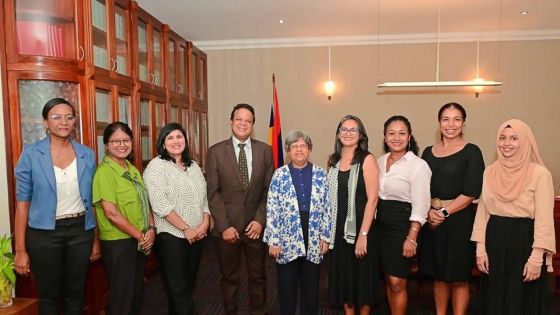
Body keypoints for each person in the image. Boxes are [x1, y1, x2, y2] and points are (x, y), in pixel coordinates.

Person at [14, 98, 98, 315]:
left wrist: (95, 239)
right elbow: (22, 205)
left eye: (69, 117)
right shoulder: (31, 154)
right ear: (45, 122)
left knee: (76, 293)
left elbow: (93, 200)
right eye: (56, 117)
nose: (64, 122)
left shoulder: (87, 154)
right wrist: (21, 250)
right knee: (49, 297)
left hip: (81, 231)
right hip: (43, 234)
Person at [471, 119, 555, 315]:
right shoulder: (490, 171)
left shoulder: (540, 174)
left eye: (514, 138)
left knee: (521, 299)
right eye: (502, 138)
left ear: (526, 141)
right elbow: (483, 211)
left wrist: (536, 258)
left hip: (525, 242)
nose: (506, 143)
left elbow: (544, 219)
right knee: (495, 297)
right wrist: (480, 249)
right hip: (494, 240)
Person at [206, 103, 274, 315]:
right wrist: (224, 226)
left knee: (258, 276)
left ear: (253, 125)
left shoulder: (265, 151)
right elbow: (213, 193)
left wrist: (260, 220)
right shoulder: (215, 152)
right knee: (229, 278)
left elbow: (268, 190)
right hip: (228, 228)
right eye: (239, 119)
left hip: (255, 227)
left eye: (248, 120)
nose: (243, 124)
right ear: (231, 122)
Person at [418, 102, 485, 315]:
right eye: (446, 119)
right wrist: (429, 210)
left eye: (456, 119)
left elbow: (472, 191)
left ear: (463, 123)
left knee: (458, 277)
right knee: (439, 275)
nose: (451, 124)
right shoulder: (428, 152)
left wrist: (444, 212)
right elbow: (420, 186)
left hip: (459, 221)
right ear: (439, 123)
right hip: (432, 222)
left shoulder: (472, 151)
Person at [143, 123, 211, 315]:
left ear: (185, 141)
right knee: (178, 289)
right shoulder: (156, 166)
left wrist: (205, 223)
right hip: (172, 236)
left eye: (179, 137)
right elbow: (159, 204)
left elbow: (204, 197)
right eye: (170, 138)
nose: (175, 141)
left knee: (187, 287)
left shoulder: (193, 165)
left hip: (197, 235)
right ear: (163, 144)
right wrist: (185, 228)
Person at [263, 130, 331, 315]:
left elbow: (327, 207)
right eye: (294, 146)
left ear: (309, 149)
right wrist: (274, 240)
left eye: (303, 146)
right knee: (287, 288)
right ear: (288, 150)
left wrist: (325, 237)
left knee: (311, 288)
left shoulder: (320, 174)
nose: (299, 150)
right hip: (287, 236)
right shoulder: (279, 175)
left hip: (313, 233)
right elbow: (272, 208)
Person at [92, 122, 155, 315]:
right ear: (106, 145)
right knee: (121, 297)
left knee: (136, 292)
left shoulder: (131, 169)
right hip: (119, 243)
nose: (122, 145)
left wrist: (151, 229)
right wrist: (140, 235)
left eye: (126, 140)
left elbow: (145, 201)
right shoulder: (104, 172)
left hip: (138, 239)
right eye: (115, 141)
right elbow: (111, 213)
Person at [376, 115, 431, 315]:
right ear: (384, 137)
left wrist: (412, 237)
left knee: (398, 281)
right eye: (391, 133)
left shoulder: (418, 165)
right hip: (380, 226)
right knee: (389, 280)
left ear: (409, 137)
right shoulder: (380, 161)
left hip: (403, 226)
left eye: (402, 133)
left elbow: (421, 204)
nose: (396, 137)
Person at [327, 114, 380, 315]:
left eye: (353, 130)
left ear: (361, 135)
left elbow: (373, 199)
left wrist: (363, 235)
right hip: (338, 232)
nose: (348, 133)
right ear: (339, 135)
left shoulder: (367, 160)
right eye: (344, 130)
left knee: (363, 281)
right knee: (345, 280)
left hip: (361, 230)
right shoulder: (333, 161)